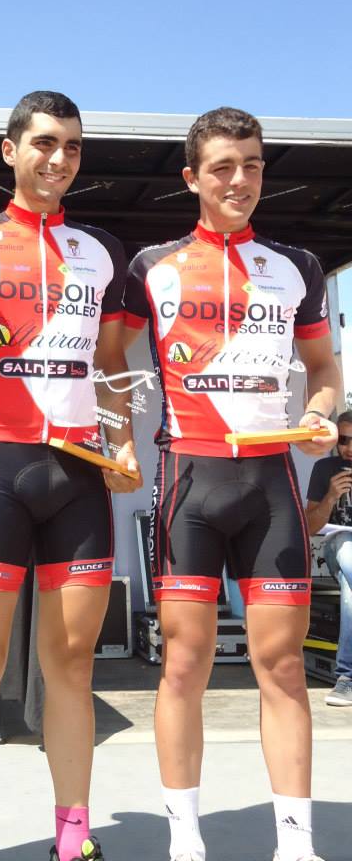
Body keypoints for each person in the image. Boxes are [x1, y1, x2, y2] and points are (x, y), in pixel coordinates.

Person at [0, 90, 141, 861]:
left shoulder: (102, 249)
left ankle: (73, 838)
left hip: (80, 475)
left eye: (72, 146)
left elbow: (111, 364)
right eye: (44, 142)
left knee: (71, 665)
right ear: (10, 150)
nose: (59, 158)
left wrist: (122, 442)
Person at [122, 107, 339, 861]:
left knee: (282, 666)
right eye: (222, 166)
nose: (239, 179)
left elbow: (324, 370)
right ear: (192, 177)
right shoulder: (151, 265)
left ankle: (296, 843)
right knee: (184, 665)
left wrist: (319, 414)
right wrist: (115, 438)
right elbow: (107, 362)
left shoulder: (297, 266)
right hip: (189, 477)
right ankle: (185, 838)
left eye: (251, 165)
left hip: (271, 482)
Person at [305, 409, 352, 707]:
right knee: (348, 550)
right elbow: (309, 526)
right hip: (340, 545)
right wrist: (331, 496)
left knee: (350, 591)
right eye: (343, 440)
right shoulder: (325, 468)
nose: (348, 447)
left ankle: (347, 677)